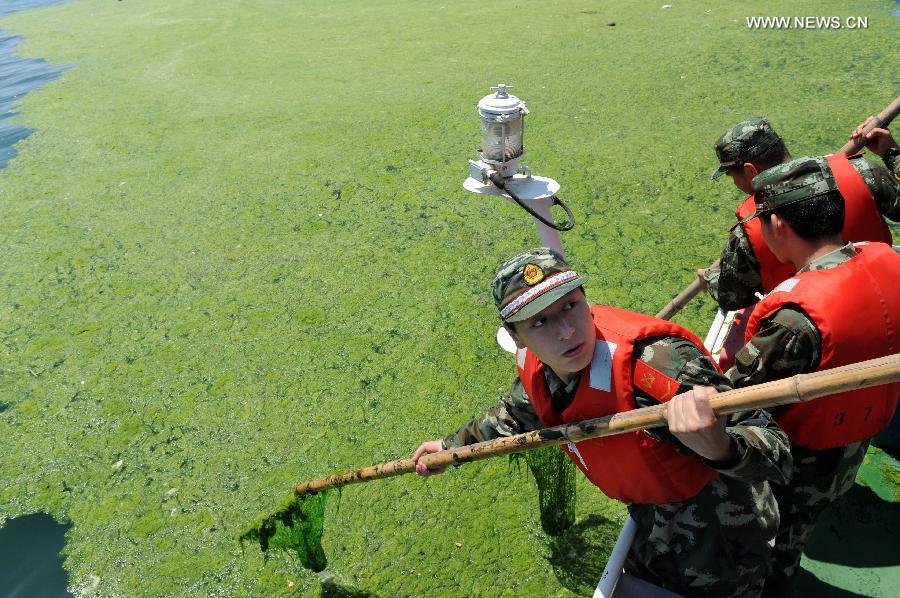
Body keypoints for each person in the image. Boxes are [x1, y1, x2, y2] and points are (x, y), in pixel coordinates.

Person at [412, 247, 792, 597]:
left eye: (570, 306)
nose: (567, 330)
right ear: (516, 336)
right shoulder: (538, 365)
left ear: (586, 299)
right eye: (541, 321)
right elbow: (515, 413)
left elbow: (777, 452)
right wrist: (451, 447)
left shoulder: (658, 366)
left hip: (723, 539)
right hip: (650, 522)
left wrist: (721, 448)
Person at [722, 156, 900, 597]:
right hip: (856, 441)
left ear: (777, 223)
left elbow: (735, 397)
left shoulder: (795, 320)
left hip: (801, 467)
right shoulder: (888, 259)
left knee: (780, 542)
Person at [702, 117, 899, 312]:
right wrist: (892, 153)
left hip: (819, 320)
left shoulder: (752, 228)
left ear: (751, 170)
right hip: (887, 295)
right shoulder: (860, 171)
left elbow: (732, 297)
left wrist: (710, 277)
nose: (735, 184)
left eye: (731, 176)